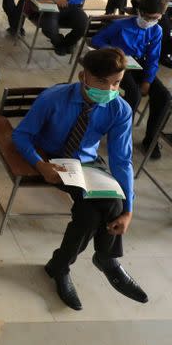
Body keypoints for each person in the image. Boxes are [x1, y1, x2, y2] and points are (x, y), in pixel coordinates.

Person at [12, 48, 148, 311]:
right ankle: (92, 262)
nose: (110, 89)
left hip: (85, 161)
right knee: (93, 214)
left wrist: (129, 210)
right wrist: (40, 165)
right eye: (102, 82)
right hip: (52, 157)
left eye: (117, 83)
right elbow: (22, 135)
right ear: (82, 76)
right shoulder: (53, 98)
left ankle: (73, 264)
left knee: (114, 204)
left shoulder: (119, 109)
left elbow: (122, 160)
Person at [92, 0, 171, 159]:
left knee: (164, 96)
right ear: (139, 11)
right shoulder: (121, 24)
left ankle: (150, 140)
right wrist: (114, 52)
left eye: (154, 18)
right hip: (118, 64)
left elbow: (153, 58)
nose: (148, 21)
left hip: (139, 65)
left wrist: (148, 80)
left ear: (161, 16)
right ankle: (120, 134)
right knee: (133, 94)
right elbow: (97, 40)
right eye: (146, 17)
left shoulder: (156, 30)